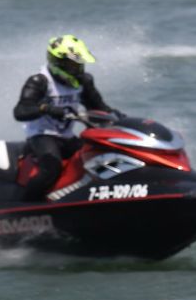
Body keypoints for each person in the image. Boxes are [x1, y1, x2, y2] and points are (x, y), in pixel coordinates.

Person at [12, 35, 118, 201]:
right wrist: (46, 108)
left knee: (101, 155)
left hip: (66, 137)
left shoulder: (84, 81)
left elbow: (98, 107)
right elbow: (20, 111)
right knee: (52, 166)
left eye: (78, 64)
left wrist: (118, 117)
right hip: (41, 135)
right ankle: (24, 208)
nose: (77, 69)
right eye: (72, 65)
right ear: (57, 63)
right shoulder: (40, 81)